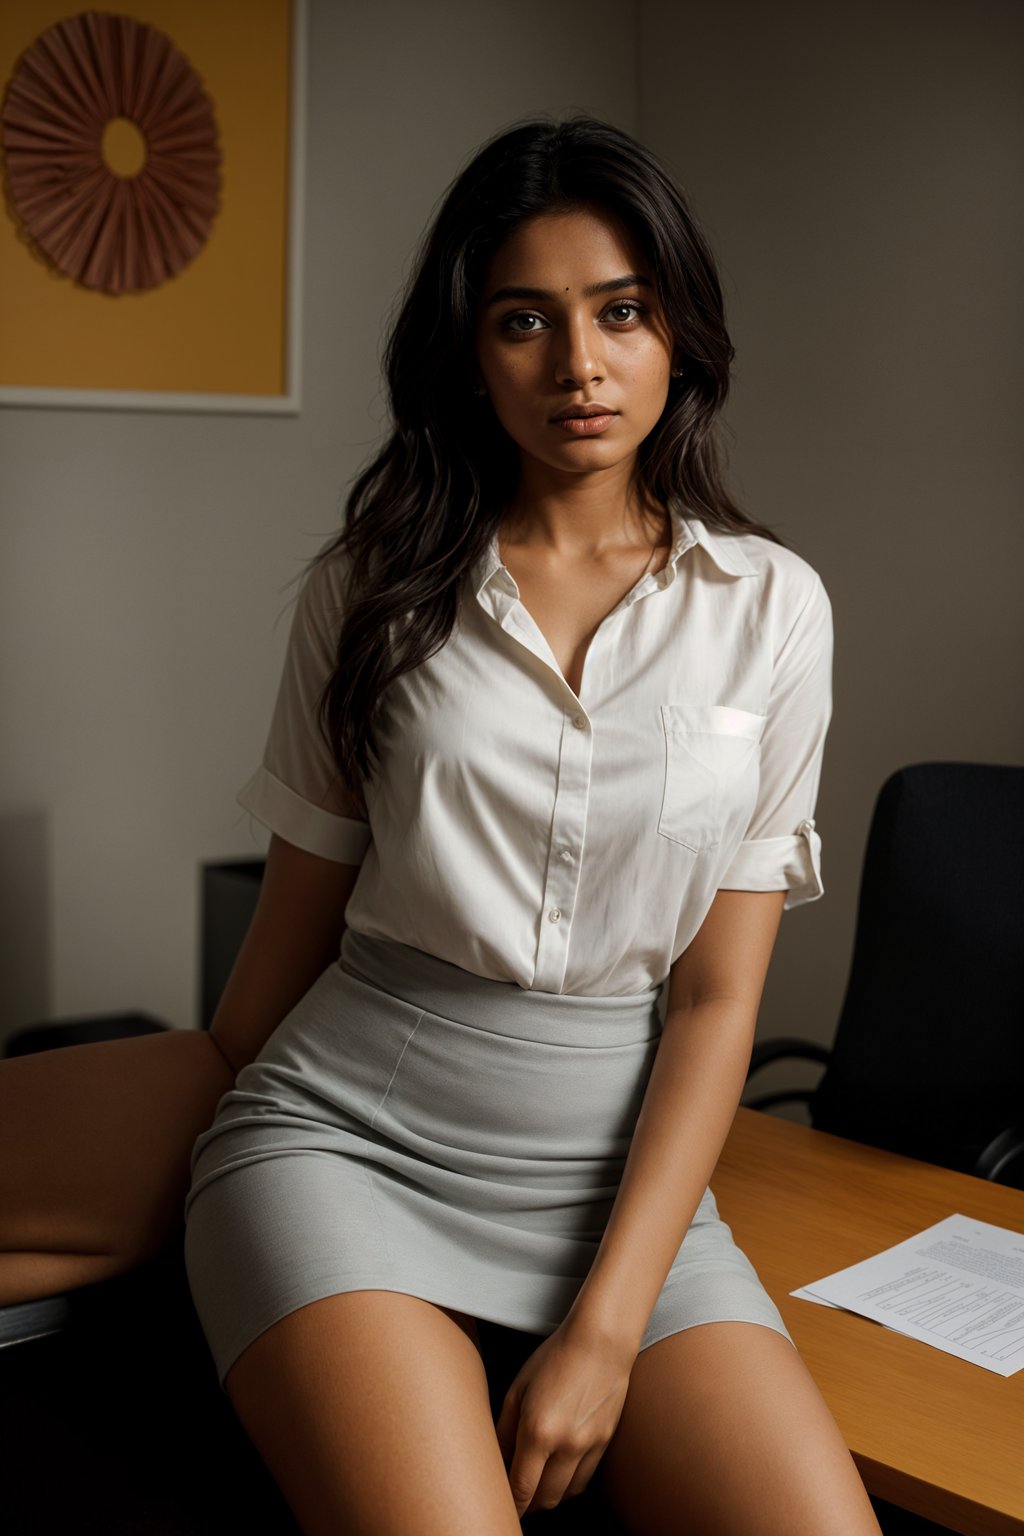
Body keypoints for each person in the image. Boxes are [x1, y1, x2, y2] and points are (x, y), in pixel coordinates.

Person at [2, 115, 883, 1536]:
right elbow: (284, 949)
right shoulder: (372, 587)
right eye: (523, 320)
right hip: (344, 1147)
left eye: (622, 313)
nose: (578, 365)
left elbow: (720, 1003)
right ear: (470, 355)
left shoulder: (774, 607)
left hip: (623, 1192)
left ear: (680, 337)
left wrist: (604, 1331)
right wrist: (161, 1166)